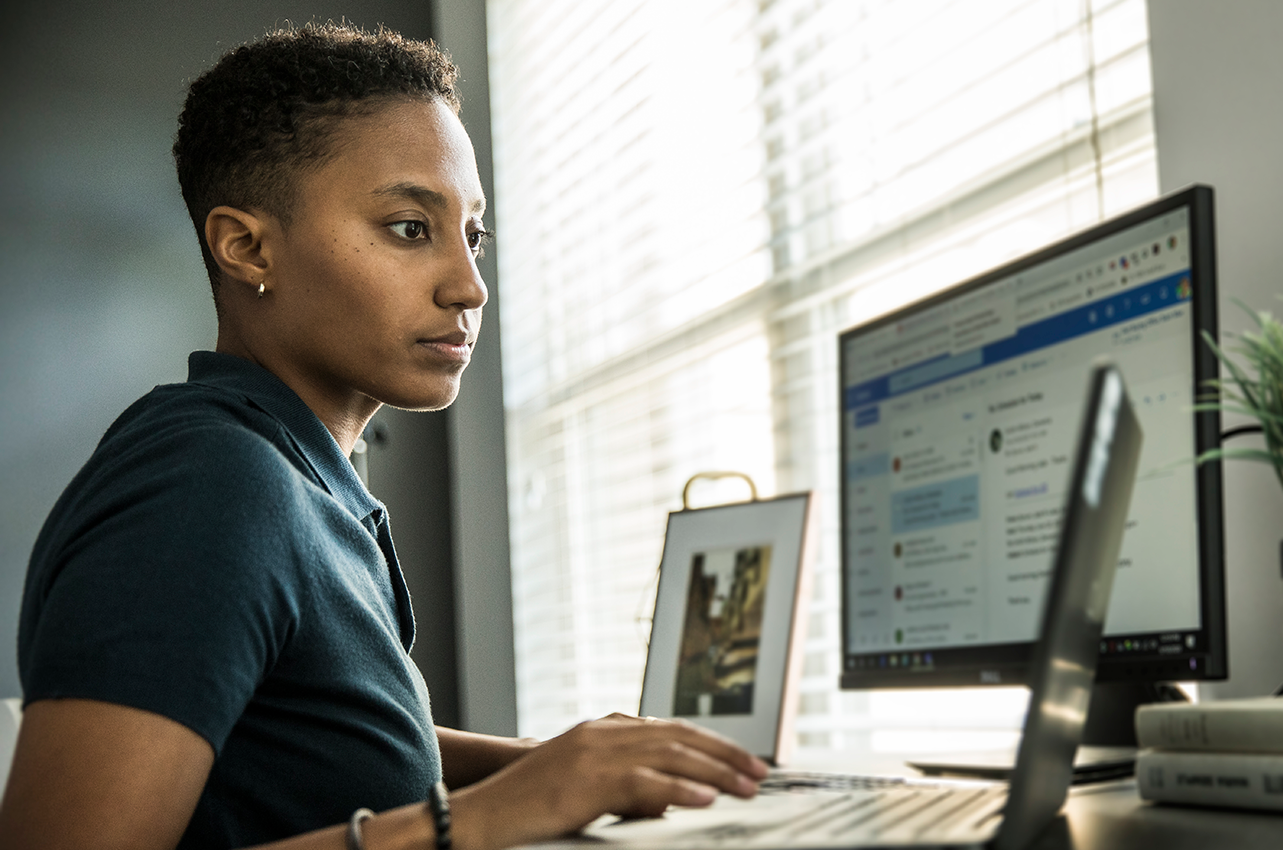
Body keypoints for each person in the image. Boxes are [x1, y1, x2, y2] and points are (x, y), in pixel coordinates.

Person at [0, 22, 766, 850]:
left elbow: (315, 736)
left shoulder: (300, 479)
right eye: (410, 227)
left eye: (473, 235)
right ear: (246, 246)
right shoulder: (210, 486)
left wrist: (549, 761)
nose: (469, 286)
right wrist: (484, 816)